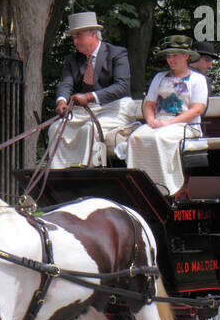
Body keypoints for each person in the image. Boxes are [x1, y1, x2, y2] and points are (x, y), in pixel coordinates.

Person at [126, 38, 208, 196]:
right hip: (159, 123)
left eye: (175, 55)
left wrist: (169, 122)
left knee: (160, 139)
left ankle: (165, 187)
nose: (171, 60)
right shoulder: (159, 77)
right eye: (169, 56)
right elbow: (149, 104)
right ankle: (138, 186)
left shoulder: (198, 79)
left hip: (185, 125)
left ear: (186, 57)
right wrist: (150, 120)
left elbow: (197, 109)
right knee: (136, 137)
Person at [51, 11, 133, 168]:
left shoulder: (117, 53)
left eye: (78, 36)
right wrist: (61, 101)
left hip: (114, 108)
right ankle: (60, 174)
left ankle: (89, 170)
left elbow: (122, 86)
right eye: (73, 37)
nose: (75, 41)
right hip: (85, 111)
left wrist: (90, 96)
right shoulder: (72, 60)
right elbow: (65, 83)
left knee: (90, 129)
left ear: (93, 34)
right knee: (55, 128)